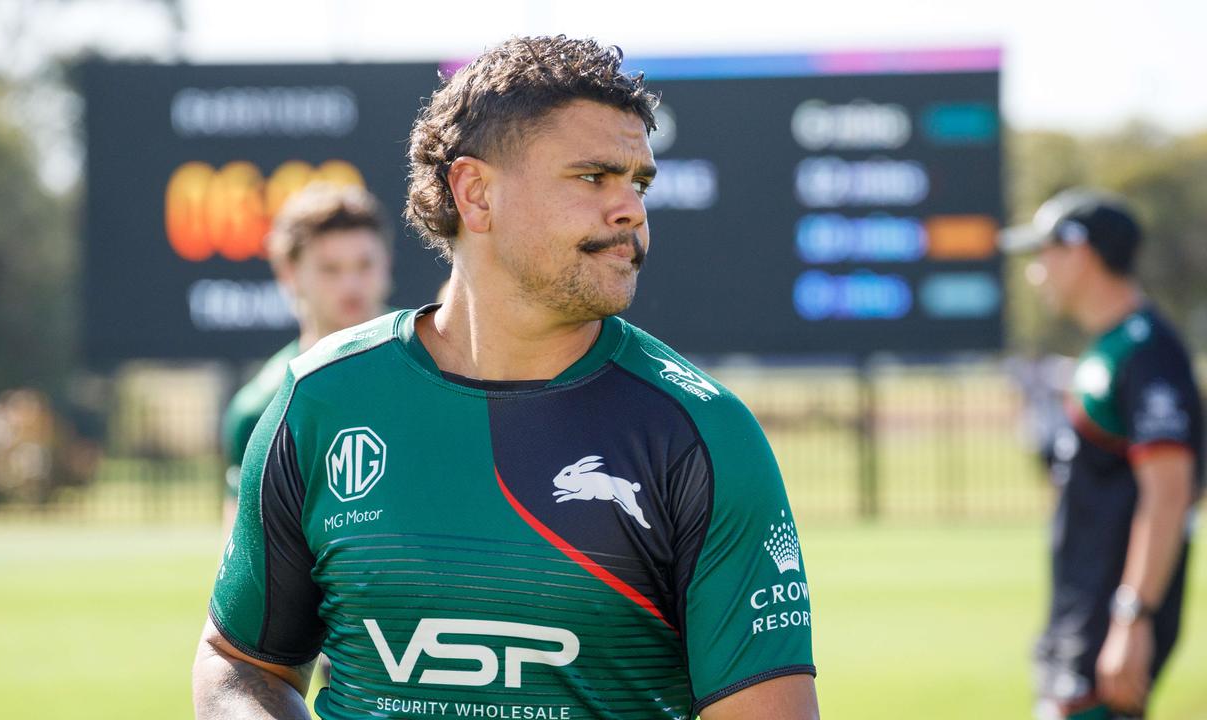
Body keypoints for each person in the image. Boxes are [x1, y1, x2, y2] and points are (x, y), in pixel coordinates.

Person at [193, 35, 818, 719]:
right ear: (476, 193)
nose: (631, 209)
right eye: (592, 177)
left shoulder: (703, 433)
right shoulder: (320, 401)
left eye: (638, 183)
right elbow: (240, 665)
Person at [1002, 188, 1203, 719]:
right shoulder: (1107, 349)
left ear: (1080, 251)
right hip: (1080, 623)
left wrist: (1131, 618)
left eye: (1044, 254)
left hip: (1104, 630)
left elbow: (1171, 494)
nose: (1036, 271)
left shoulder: (1147, 351)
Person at [219, 183, 393, 530]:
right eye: (330, 269)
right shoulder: (261, 408)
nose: (351, 285)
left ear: (387, 263)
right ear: (288, 273)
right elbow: (246, 552)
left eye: (364, 264)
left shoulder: (438, 359)